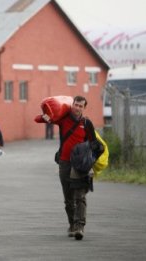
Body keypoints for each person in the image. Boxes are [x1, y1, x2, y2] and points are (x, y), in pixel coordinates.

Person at [37, 95, 100, 241]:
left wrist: (89, 161)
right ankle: (72, 224)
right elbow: (38, 119)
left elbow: (95, 145)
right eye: (76, 105)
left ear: (84, 108)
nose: (77, 108)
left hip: (80, 165)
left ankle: (79, 227)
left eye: (80, 106)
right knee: (68, 199)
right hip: (64, 162)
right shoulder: (63, 120)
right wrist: (46, 115)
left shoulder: (87, 123)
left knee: (80, 196)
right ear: (72, 105)